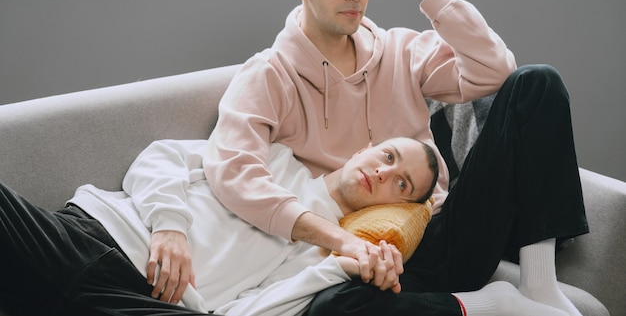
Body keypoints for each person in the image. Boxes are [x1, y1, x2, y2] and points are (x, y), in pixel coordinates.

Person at [189, 0, 588, 316]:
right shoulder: (269, 74)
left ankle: (540, 286)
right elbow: (233, 171)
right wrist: (333, 237)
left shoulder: (399, 49)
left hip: (447, 229)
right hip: (372, 255)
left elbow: (495, 71)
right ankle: (492, 305)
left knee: (537, 82)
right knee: (332, 309)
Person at [0, 136, 439, 316]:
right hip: (91, 236)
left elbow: (243, 313)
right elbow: (164, 156)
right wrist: (169, 226)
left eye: (402, 184)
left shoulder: (320, 258)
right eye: (387, 156)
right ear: (366, 147)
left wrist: (338, 269)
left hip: (142, 302)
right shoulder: (271, 156)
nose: (384, 173)